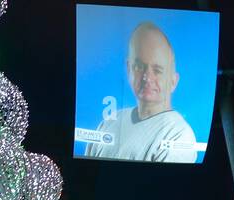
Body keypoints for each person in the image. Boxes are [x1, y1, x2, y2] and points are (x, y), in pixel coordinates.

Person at [83, 21, 199, 163]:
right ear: (128, 68)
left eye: (157, 70)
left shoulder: (179, 135)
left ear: (173, 81)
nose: (147, 78)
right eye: (139, 66)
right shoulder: (108, 124)